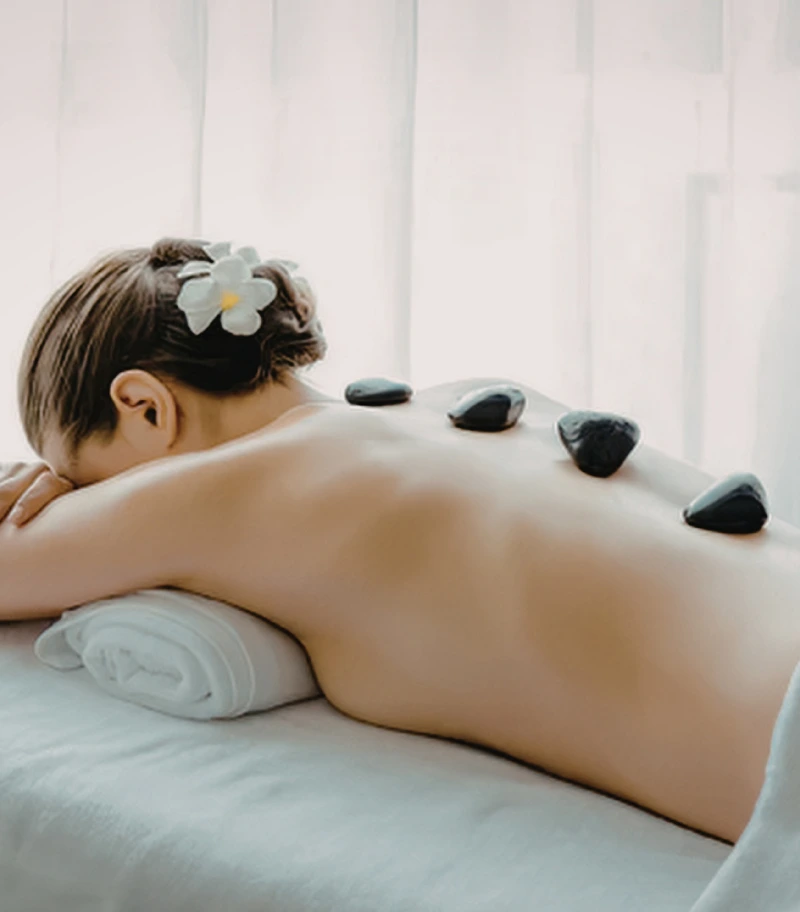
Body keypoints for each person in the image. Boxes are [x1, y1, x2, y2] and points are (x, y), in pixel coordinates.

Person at [6, 235, 800, 846]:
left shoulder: (239, 486)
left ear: (144, 406)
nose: (92, 510)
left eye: (86, 481)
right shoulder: (462, 405)